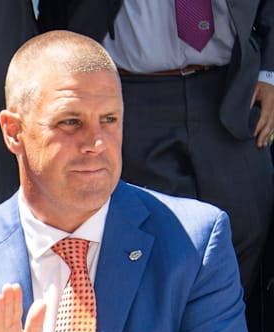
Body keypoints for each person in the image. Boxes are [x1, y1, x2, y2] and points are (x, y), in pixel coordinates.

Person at [0, 30, 252, 332]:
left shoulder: (193, 244)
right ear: (13, 132)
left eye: (110, 119)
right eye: (71, 122)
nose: (98, 143)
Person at [37, 0, 274, 303]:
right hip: (129, 93)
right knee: (151, 243)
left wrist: (270, 72)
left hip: (230, 88)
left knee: (247, 227)